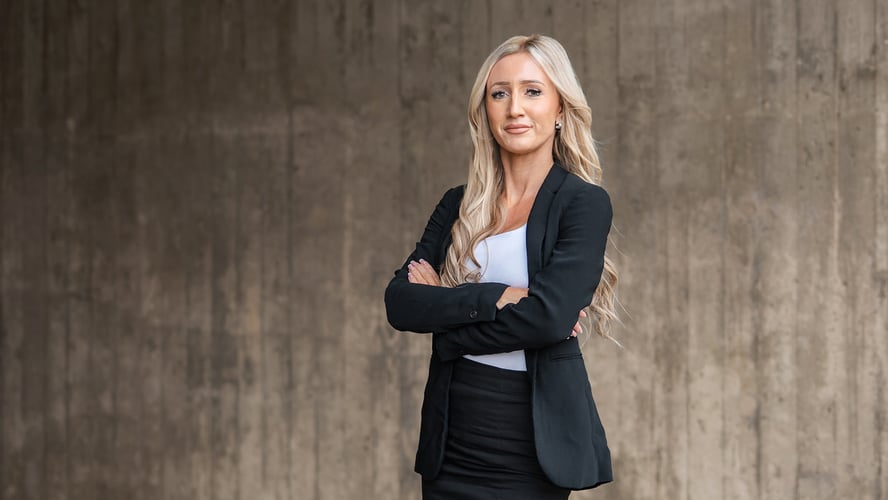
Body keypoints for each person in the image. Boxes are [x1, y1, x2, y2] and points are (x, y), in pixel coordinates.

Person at [384, 34, 618, 499]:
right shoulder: (458, 204)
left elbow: (548, 319)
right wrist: (495, 296)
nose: (515, 108)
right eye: (499, 93)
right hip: (452, 439)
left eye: (532, 91)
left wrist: (448, 325)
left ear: (560, 109)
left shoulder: (582, 204)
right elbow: (401, 303)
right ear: (485, 110)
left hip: (531, 442)